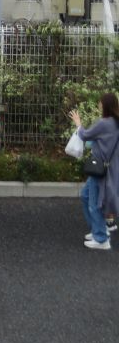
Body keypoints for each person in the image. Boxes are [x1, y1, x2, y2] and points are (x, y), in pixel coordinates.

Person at [70, 93, 119, 250]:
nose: (99, 105)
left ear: (105, 105)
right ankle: (98, 229)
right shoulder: (115, 123)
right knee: (86, 196)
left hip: (100, 169)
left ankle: (101, 239)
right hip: (109, 168)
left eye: (100, 102)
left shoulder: (104, 123)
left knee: (94, 203)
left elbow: (85, 135)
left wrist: (78, 123)